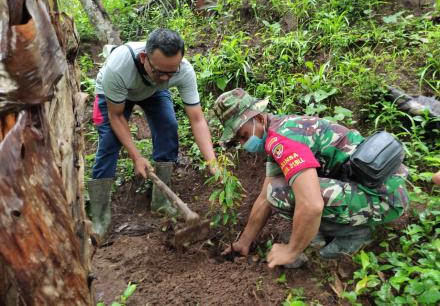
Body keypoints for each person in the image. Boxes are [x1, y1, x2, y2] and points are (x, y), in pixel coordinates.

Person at [213, 88, 409, 268]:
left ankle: (354, 232)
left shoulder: (282, 140)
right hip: (368, 188)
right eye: (239, 139)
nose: (244, 143)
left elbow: (312, 205)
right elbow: (264, 197)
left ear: (260, 119)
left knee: (282, 193)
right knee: (277, 191)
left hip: (384, 197)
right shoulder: (280, 129)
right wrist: (244, 241)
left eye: (244, 135)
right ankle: (322, 230)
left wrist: (291, 251)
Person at [88, 28, 218, 242]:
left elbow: (196, 118)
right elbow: (117, 116)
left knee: (168, 126)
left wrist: (212, 161)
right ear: (144, 58)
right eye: (160, 72)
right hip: (115, 94)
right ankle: (100, 218)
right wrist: (137, 156)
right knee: (109, 143)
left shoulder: (182, 71)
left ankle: (161, 202)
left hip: (152, 91)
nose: (166, 77)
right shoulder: (119, 66)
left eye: (171, 72)